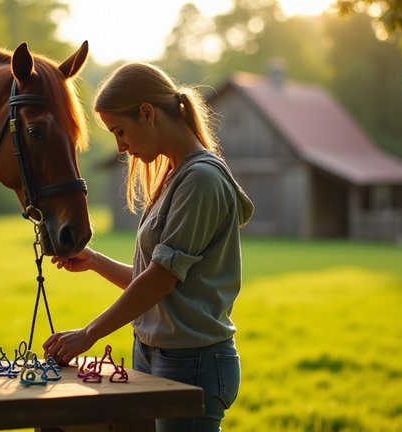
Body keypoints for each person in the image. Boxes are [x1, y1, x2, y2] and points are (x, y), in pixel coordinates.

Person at [42, 62, 254, 432]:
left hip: (192, 361)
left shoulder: (201, 180)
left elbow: (159, 282)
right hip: (152, 352)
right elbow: (150, 283)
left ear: (147, 113)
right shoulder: (174, 176)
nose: (121, 146)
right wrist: (92, 260)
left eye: (120, 131)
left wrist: (87, 335)